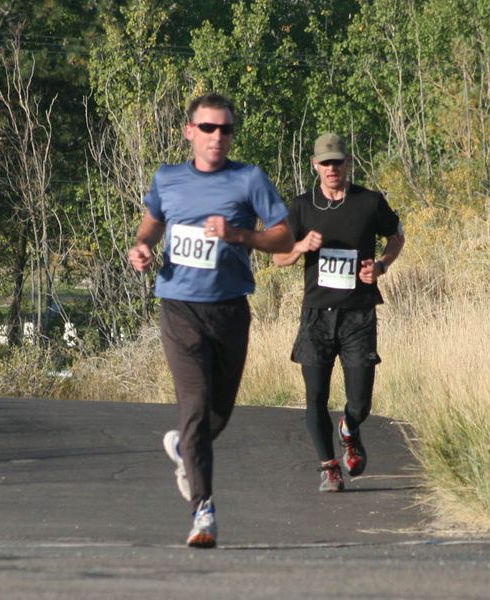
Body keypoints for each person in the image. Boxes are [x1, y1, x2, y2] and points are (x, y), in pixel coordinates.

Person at [128, 93, 293, 548]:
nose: (216, 137)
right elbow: (152, 223)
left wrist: (240, 234)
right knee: (196, 405)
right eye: (207, 128)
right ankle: (203, 510)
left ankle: (186, 448)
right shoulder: (169, 178)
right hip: (179, 307)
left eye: (225, 130)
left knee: (218, 413)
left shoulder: (248, 179)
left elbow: (284, 238)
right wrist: (141, 247)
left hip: (230, 309)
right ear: (189, 132)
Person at [273, 133, 404, 492]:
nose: (332, 169)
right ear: (314, 165)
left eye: (338, 162)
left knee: (360, 400)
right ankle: (329, 467)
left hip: (358, 314)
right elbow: (278, 256)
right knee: (315, 396)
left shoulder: (369, 202)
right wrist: (300, 246)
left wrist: (380, 266)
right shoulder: (302, 207)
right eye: (325, 163)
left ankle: (350, 428)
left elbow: (396, 236)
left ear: (348, 163)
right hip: (316, 315)